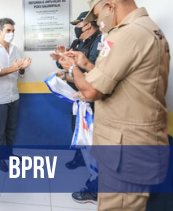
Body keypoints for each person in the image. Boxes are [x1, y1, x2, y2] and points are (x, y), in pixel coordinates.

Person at [59, 0, 170, 211]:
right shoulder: (149, 29)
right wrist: (86, 65)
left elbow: (91, 90)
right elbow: (125, 80)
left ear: (110, 6)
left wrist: (72, 68)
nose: (99, 22)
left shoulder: (126, 35)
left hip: (125, 149)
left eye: (98, 15)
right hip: (138, 144)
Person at [52, 11, 101, 204]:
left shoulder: (99, 42)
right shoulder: (78, 44)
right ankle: (83, 161)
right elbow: (66, 65)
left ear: (88, 25)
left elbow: (96, 74)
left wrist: (66, 76)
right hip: (78, 96)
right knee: (80, 132)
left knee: (94, 141)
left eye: (78, 24)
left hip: (93, 99)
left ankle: (96, 186)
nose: (76, 28)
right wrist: (62, 58)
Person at [0, 18, 32, 172]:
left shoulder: (15, 49)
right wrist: (12, 68)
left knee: (11, 129)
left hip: (14, 96)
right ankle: (0, 158)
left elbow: (19, 72)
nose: (11, 33)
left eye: (13, 31)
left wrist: (22, 68)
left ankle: (8, 153)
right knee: (0, 131)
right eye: (8, 30)